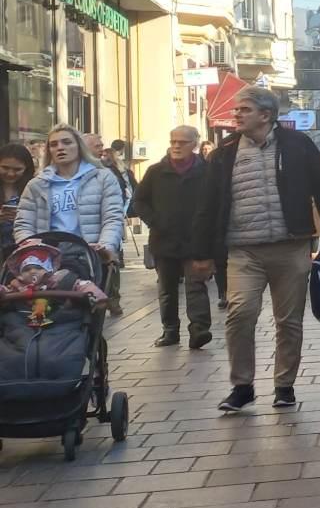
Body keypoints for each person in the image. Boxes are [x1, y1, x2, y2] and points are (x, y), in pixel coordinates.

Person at [188, 88, 320, 412]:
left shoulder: (297, 145)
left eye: (244, 109)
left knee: (288, 321)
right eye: (237, 109)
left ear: (266, 114)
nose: (237, 114)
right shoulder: (224, 153)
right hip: (244, 251)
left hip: (291, 247)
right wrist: (202, 252)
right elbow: (206, 205)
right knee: (240, 314)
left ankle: (284, 385)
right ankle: (242, 385)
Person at [132, 125, 214, 348]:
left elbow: (217, 202)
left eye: (182, 142)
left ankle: (199, 328)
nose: (176, 146)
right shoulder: (156, 171)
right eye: (173, 142)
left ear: (194, 144)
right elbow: (139, 201)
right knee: (167, 288)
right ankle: (170, 330)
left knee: (196, 284)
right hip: (164, 239)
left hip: (195, 239)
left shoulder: (207, 171)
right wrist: (155, 221)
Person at [15, 125, 125, 276]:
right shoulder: (36, 185)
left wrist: (105, 247)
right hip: (47, 261)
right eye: (54, 144)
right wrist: (32, 249)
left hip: (93, 258)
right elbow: (24, 223)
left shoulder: (103, 178)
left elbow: (113, 218)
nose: (60, 148)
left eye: (67, 142)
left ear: (79, 146)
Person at [0, 142, 34, 253]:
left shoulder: (35, 189)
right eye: (5, 168)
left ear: (26, 169)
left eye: (17, 169)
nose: (10, 174)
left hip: (23, 251)